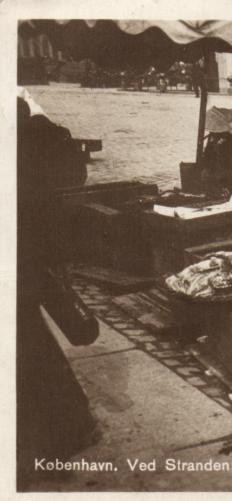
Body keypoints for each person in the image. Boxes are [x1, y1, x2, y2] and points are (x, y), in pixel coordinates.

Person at [17, 98, 97, 488]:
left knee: (29, 354)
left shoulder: (33, 140)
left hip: (24, 259)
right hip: (30, 258)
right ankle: (67, 431)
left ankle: (50, 446)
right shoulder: (40, 135)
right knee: (33, 351)